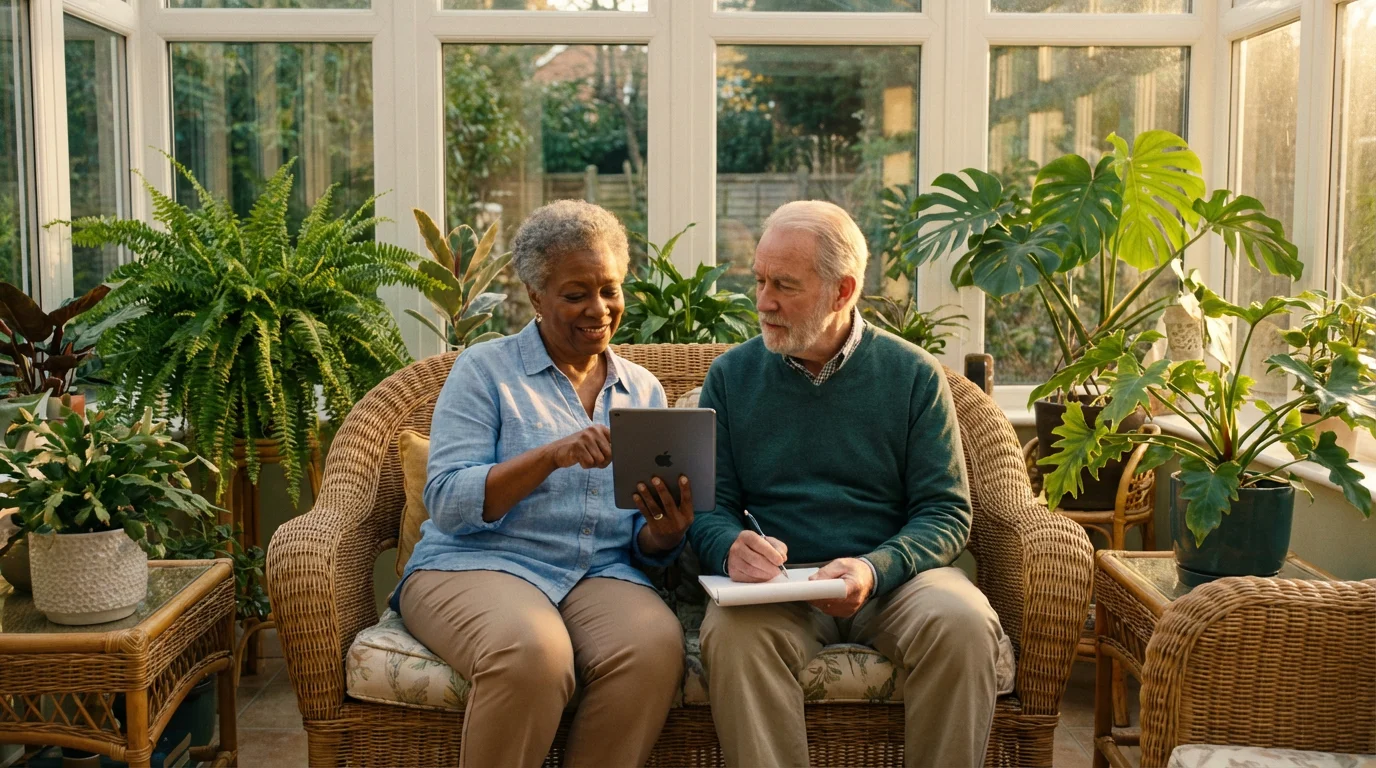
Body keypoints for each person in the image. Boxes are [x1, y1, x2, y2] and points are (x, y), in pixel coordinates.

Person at [688, 200, 1005, 768]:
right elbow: (710, 507)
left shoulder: (913, 376)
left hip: (895, 583)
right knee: (732, 637)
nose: (763, 302)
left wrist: (874, 567)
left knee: (963, 624)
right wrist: (729, 546)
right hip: (776, 591)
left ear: (843, 290)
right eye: (759, 281)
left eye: (784, 285)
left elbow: (945, 511)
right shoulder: (731, 377)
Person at [395, 200, 692, 768]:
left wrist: (663, 532)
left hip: (597, 570)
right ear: (535, 297)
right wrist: (550, 456)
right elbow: (450, 502)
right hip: (475, 564)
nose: (598, 309)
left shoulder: (643, 390)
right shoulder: (484, 370)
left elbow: (641, 542)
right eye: (576, 293)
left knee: (653, 646)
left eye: (610, 290)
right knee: (533, 652)